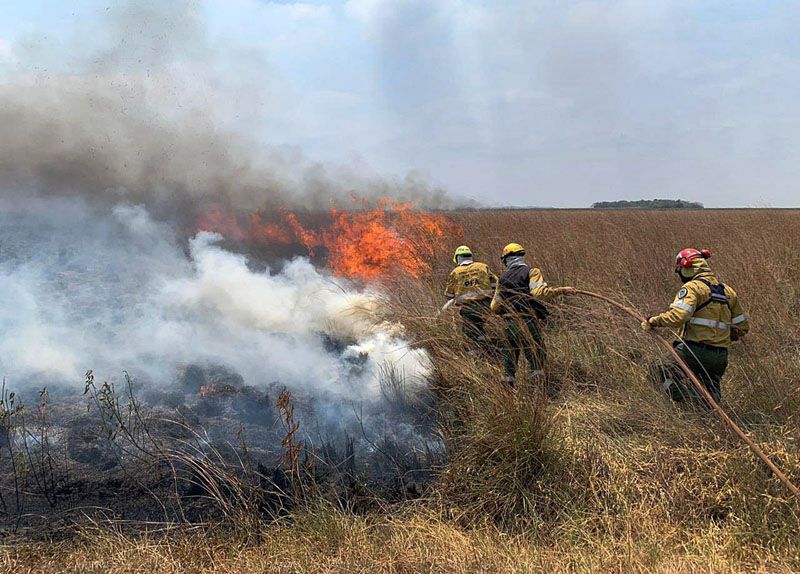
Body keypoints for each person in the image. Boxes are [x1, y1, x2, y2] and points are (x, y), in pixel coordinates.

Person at [642, 248, 750, 406]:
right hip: (720, 357)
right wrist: (722, 336)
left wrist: (653, 321)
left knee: (658, 370)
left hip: (693, 352)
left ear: (686, 267)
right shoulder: (728, 292)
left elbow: (678, 316)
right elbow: (743, 327)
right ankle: (706, 411)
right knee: (709, 394)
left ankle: (686, 401)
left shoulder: (693, 288)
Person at [490, 243, 576, 386]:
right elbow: (539, 293)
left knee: (509, 359)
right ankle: (540, 392)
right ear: (521, 256)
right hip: (527, 322)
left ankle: (507, 391)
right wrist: (562, 290)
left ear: (506, 259)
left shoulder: (502, 279)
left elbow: (494, 306)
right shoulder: (532, 272)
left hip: (509, 325)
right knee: (536, 357)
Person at [444, 245, 498, 349]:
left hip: (469, 309)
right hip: (487, 305)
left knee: (470, 332)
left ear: (458, 258)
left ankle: (483, 350)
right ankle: (490, 345)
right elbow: (496, 284)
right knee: (486, 327)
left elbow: (449, 294)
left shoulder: (456, 272)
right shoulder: (483, 266)